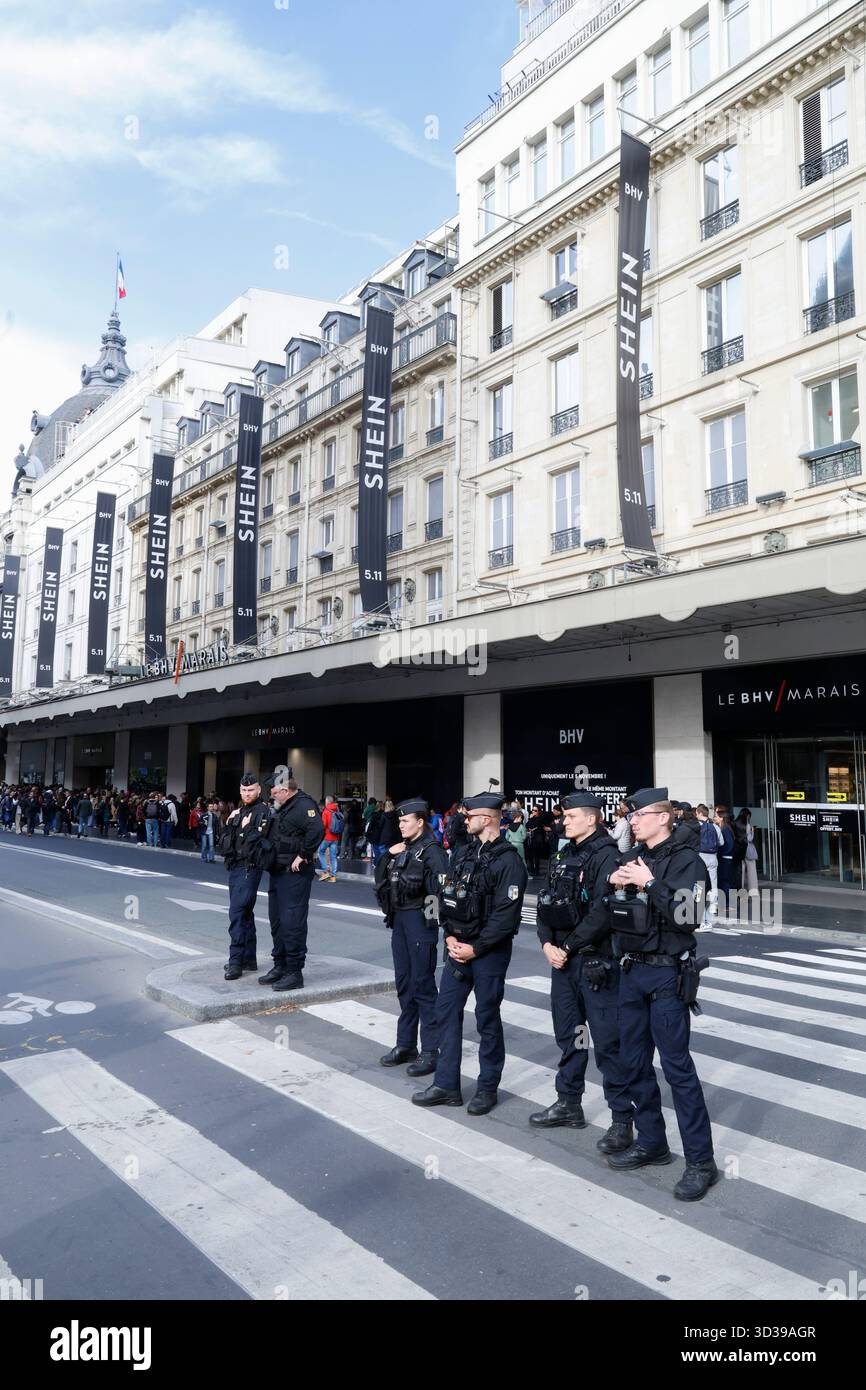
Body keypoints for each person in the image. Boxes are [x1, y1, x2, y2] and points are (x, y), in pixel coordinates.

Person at [604, 786, 717, 1202]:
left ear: (664, 818)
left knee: (677, 1069)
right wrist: (612, 886)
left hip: (667, 974)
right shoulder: (632, 858)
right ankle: (652, 1142)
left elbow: (689, 916)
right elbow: (612, 913)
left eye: (639, 815)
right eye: (630, 815)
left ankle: (701, 1163)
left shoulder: (688, 862)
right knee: (633, 1062)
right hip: (631, 971)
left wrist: (649, 883)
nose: (632, 821)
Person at [529, 792, 634, 1154]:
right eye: (564, 816)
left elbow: (604, 911)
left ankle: (622, 1120)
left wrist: (568, 946)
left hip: (594, 964)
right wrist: (546, 943)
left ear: (592, 819)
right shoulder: (563, 855)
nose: (564, 821)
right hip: (563, 962)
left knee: (607, 1043)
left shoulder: (608, 855)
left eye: (571, 816)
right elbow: (544, 901)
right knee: (570, 1035)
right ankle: (569, 1102)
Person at [413, 792, 527, 1116]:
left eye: (470, 816)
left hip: (487, 952)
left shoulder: (509, 861)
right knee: (446, 1011)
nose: (464, 821)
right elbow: (446, 897)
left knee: (487, 1018)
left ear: (487, 819)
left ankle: (487, 1088)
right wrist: (449, 935)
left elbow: (506, 916)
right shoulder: (463, 853)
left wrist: (476, 948)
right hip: (457, 948)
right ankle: (446, 1085)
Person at [375, 797, 449, 1077]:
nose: (401, 825)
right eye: (400, 821)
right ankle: (406, 1044)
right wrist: (387, 855)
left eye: (405, 821)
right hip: (400, 921)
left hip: (420, 922)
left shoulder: (432, 851)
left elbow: (441, 892)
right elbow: (381, 879)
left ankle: (431, 1050)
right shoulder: (403, 848)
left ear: (420, 822)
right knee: (404, 985)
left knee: (423, 986)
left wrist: (430, 923)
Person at [259, 775, 325, 991]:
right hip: (278, 872)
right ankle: (280, 965)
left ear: (285, 791)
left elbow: (317, 830)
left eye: (274, 793)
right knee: (277, 921)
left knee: (292, 922)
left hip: (294, 875)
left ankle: (294, 972)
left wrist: (303, 854)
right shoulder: (284, 807)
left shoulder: (304, 805)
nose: (272, 797)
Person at [217, 773, 273, 981]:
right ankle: (248, 959)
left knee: (237, 913)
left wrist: (245, 827)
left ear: (259, 790)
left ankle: (235, 962)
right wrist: (230, 823)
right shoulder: (238, 812)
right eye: (243, 790)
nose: (247, 793)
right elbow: (225, 843)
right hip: (235, 867)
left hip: (249, 867)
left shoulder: (263, 812)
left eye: (250, 790)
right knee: (245, 914)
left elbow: (259, 842)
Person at [695, 803, 721, 925]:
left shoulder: (697, 826)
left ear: (700, 813)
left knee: (698, 881)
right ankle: (713, 906)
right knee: (714, 882)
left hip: (701, 856)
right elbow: (721, 842)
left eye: (696, 813)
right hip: (713, 857)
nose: (696, 815)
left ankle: (697, 904)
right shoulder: (715, 826)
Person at [318, 795, 342, 881]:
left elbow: (323, 825)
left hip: (327, 836)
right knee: (333, 856)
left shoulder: (326, 811)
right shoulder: (337, 809)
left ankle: (325, 872)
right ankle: (333, 876)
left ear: (327, 802)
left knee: (320, 852)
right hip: (335, 837)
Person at [736, 807, 759, 896]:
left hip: (739, 849)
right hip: (748, 849)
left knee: (741, 871)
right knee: (751, 870)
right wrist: (752, 831)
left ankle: (740, 890)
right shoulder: (747, 825)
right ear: (747, 815)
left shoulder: (735, 823)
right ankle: (753, 890)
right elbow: (749, 839)